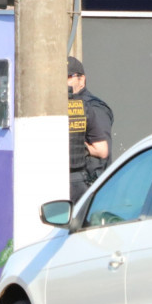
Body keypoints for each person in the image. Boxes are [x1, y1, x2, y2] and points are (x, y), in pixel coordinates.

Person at [67, 56, 114, 203]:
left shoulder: (93, 107)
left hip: (88, 185)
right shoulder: (67, 105)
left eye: (68, 77)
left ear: (81, 80)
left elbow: (102, 150)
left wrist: (78, 144)